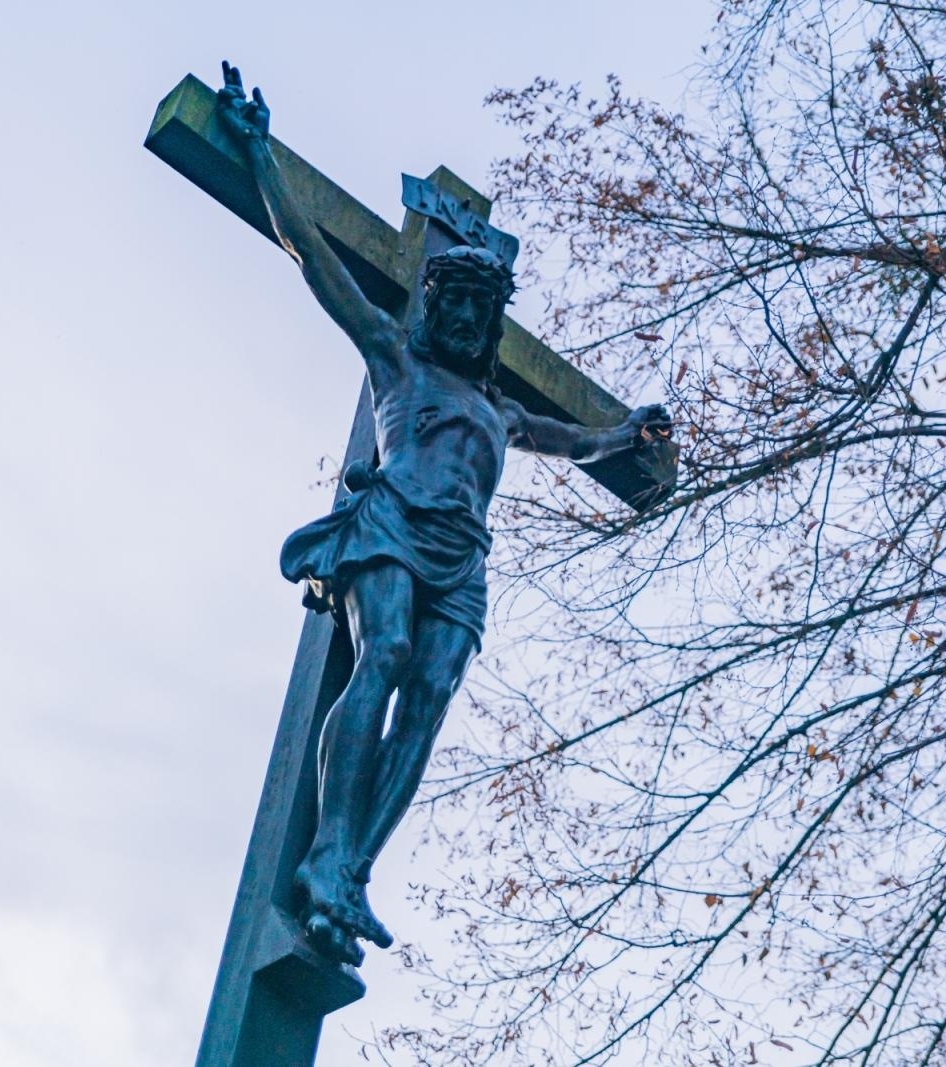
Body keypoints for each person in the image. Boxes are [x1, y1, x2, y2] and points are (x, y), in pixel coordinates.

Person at [216, 61, 672, 966]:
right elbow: (314, 258)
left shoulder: (501, 409)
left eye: (478, 308)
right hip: (390, 525)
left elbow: (577, 442)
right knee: (380, 654)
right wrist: (262, 156)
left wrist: (625, 432)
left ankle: (349, 873)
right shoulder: (397, 359)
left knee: (426, 701)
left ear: (491, 322)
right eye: (453, 302)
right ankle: (324, 855)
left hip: (464, 561)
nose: (464, 318)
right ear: (433, 306)